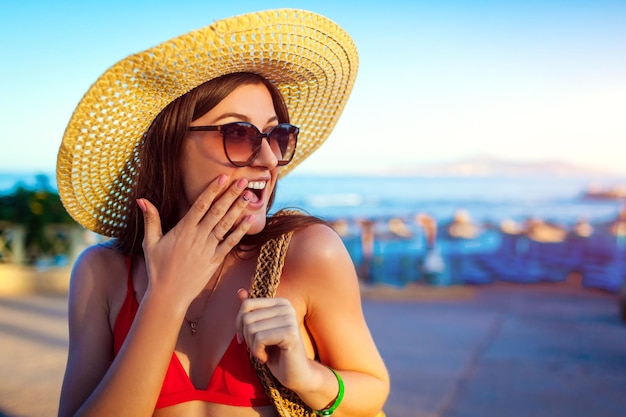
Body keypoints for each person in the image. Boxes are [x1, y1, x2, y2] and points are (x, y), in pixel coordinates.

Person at [56, 9, 389, 417]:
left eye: (277, 135)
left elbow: (373, 387)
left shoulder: (308, 254)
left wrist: (307, 377)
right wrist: (166, 297)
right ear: (170, 147)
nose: (268, 159)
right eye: (239, 133)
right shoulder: (102, 274)